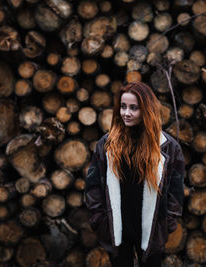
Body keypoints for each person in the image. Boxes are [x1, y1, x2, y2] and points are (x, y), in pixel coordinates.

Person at [84, 81, 185, 266]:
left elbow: (176, 193)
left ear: (146, 110)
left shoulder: (169, 147)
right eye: (123, 107)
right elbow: (92, 187)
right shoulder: (106, 145)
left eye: (134, 108)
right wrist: (100, 221)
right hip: (116, 230)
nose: (126, 113)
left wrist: (166, 224)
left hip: (152, 230)